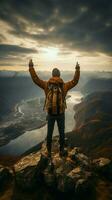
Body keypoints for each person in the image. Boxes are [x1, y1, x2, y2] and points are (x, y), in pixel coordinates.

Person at [29, 60, 80, 157]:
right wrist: (77, 69)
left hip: (50, 114)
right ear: (60, 75)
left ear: (52, 75)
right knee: (61, 132)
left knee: (49, 133)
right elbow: (75, 81)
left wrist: (31, 67)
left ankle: (48, 151)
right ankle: (61, 151)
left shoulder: (46, 85)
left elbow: (35, 79)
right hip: (61, 114)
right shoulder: (64, 86)